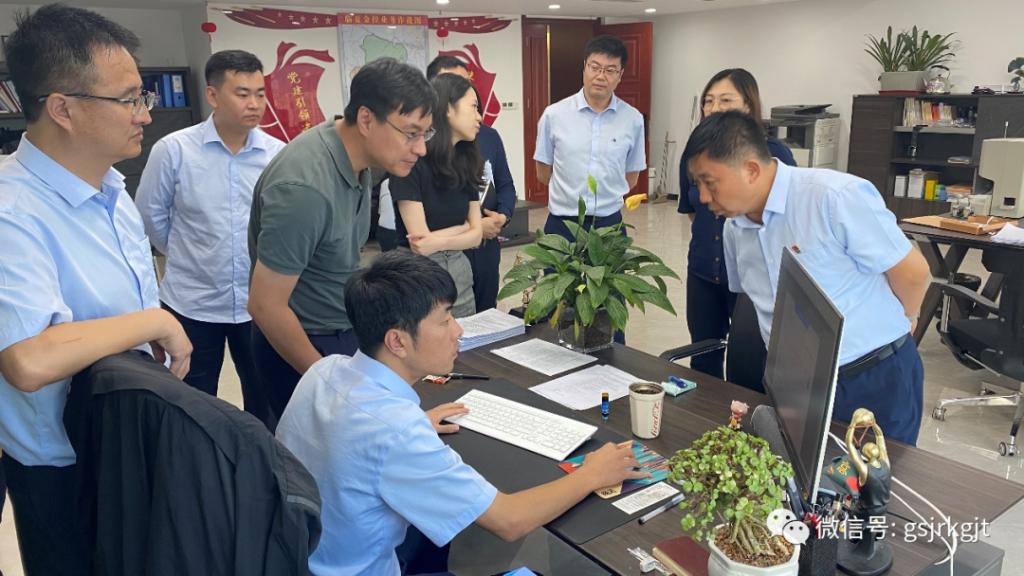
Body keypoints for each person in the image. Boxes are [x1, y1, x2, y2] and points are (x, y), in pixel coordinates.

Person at [276, 250, 644, 575]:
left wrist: (414, 427)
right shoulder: (397, 432)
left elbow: (345, 440)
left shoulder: (325, 371)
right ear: (397, 341)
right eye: (445, 320)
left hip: (303, 558)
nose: (459, 330)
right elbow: (509, 521)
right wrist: (591, 475)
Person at [0, 5, 192, 573]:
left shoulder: (111, 187)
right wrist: (155, 321)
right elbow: (27, 360)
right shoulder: (12, 210)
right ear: (62, 108)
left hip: (125, 439)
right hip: (64, 467)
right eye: (129, 99)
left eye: (144, 95)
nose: (145, 113)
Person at [684, 111, 930, 445]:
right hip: (797, 387)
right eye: (697, 185)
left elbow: (913, 273)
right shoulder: (734, 230)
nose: (702, 197)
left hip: (871, 376)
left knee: (879, 474)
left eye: (710, 183)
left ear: (751, 170)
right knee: (806, 476)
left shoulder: (833, 197)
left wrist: (906, 318)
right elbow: (754, 303)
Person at [247, 58, 434, 423]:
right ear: (366, 119)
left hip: (340, 328)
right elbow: (266, 306)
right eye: (410, 133)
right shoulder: (304, 188)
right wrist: (330, 383)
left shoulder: (357, 157)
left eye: (425, 134)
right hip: (302, 342)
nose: (420, 149)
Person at [136, 50, 283, 426]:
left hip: (257, 304)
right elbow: (150, 217)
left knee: (265, 402)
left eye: (260, 93)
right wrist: (191, 255)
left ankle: (259, 461)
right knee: (193, 405)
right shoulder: (174, 151)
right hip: (192, 302)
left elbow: (281, 225)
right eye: (242, 93)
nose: (255, 104)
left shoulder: (276, 155)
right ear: (213, 95)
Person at [677, 69, 796, 381]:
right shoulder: (694, 154)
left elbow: (786, 215)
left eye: (725, 100)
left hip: (753, 276)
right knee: (703, 357)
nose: (714, 108)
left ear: (748, 105)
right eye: (708, 101)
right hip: (704, 269)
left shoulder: (773, 155)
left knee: (752, 360)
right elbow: (692, 209)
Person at [534, 34, 646, 242]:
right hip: (562, 224)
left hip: (609, 224)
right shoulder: (554, 115)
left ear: (620, 75)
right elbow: (543, 172)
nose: (601, 76)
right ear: (584, 67)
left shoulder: (633, 119)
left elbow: (632, 175)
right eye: (595, 67)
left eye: (610, 70)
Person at [427, 55, 517, 311]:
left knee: (486, 312)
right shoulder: (421, 149)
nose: (462, 89)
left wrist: (502, 217)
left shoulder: (486, 137)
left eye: (466, 83)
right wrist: (475, 228)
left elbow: (505, 184)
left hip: (486, 247)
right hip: (445, 255)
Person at [389, 73, 483, 318]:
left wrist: (440, 240)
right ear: (448, 108)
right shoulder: (410, 162)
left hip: (460, 271)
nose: (479, 117)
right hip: (419, 275)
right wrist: (463, 229)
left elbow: (476, 236)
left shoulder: (467, 160)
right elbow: (420, 244)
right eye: (473, 107)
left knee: (466, 338)